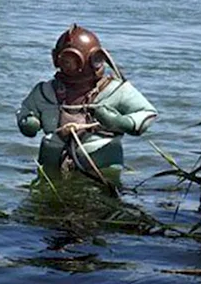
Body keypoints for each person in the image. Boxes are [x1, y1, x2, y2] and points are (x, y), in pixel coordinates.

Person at [16, 24, 157, 178]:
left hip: (100, 161)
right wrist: (29, 122)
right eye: (66, 60)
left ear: (96, 59)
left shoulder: (114, 90)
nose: (68, 65)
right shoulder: (45, 92)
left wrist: (119, 122)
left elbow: (147, 113)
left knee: (100, 199)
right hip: (52, 161)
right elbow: (25, 110)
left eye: (73, 60)